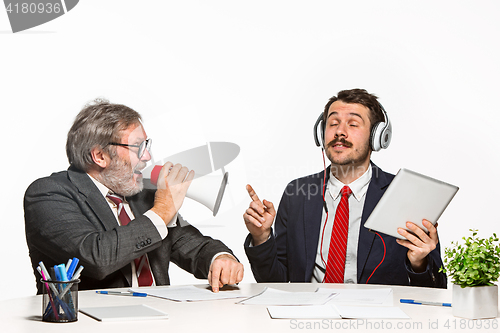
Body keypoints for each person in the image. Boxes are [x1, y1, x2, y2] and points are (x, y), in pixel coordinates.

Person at [25, 98, 243, 294]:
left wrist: (220, 258)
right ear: (100, 156)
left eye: (146, 146)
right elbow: (96, 257)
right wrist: (162, 212)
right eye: (138, 147)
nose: (147, 156)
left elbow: (191, 245)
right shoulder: (48, 194)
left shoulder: (141, 196)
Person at [243, 88, 446, 287]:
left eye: (353, 124)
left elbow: (436, 291)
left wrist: (419, 263)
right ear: (321, 133)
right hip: (309, 314)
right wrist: (261, 238)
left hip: (376, 317)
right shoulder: (298, 192)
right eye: (333, 123)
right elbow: (274, 282)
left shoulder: (404, 194)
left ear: (377, 137)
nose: (340, 131)